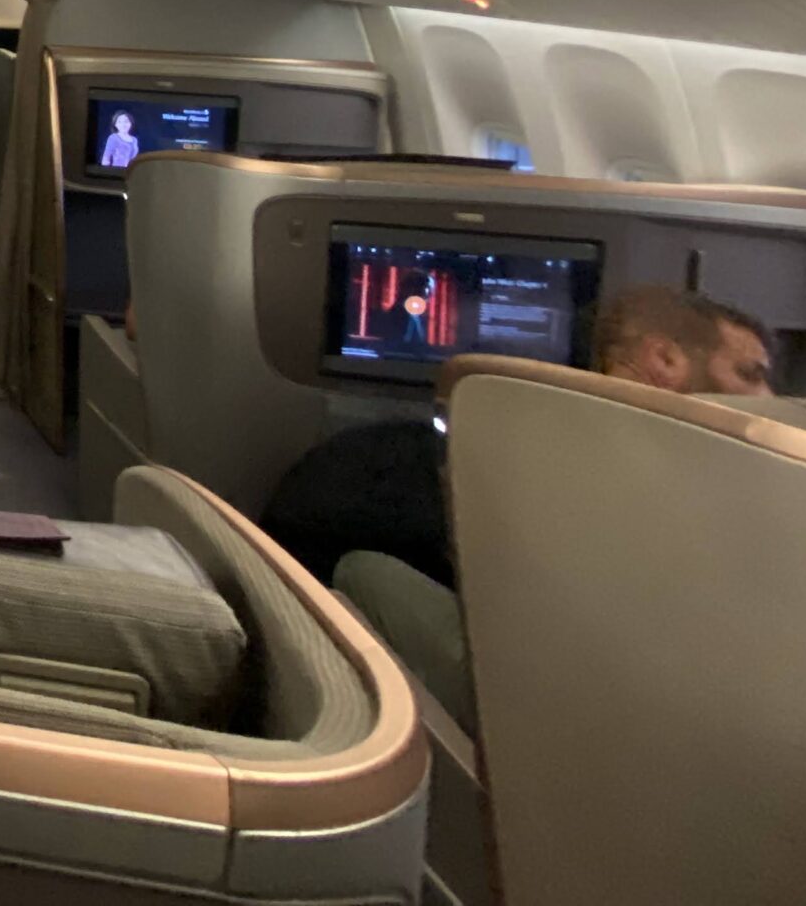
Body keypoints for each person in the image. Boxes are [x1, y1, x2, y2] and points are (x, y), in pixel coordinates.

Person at [266, 286, 775, 732]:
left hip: (567, 695)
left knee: (363, 571)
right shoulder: (689, 474)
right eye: (750, 375)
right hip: (602, 697)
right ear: (663, 359)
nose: (768, 396)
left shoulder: (552, 444)